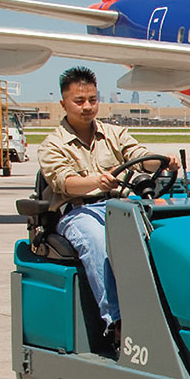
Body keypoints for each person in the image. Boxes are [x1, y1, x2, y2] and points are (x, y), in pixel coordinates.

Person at [38, 66, 178, 339]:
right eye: (79, 101)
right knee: (97, 242)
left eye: (92, 100)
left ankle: (171, 312)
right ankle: (118, 322)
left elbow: (139, 157)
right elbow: (64, 182)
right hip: (78, 211)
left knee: (165, 230)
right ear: (64, 104)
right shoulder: (53, 145)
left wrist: (163, 161)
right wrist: (95, 181)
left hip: (120, 205)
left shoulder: (114, 134)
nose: (87, 107)